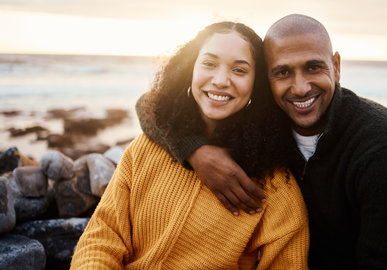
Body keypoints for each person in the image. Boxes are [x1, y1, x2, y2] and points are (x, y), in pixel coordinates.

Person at [137, 15, 387, 269]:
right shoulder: (263, 124)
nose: (300, 87)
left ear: (336, 66)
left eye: (313, 67)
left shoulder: (383, 144)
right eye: (282, 72)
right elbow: (151, 105)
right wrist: (196, 151)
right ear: (266, 79)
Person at [70, 21, 309, 269]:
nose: (220, 80)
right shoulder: (145, 148)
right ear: (189, 69)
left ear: (256, 84)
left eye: (239, 70)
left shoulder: (275, 185)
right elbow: (102, 236)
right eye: (209, 63)